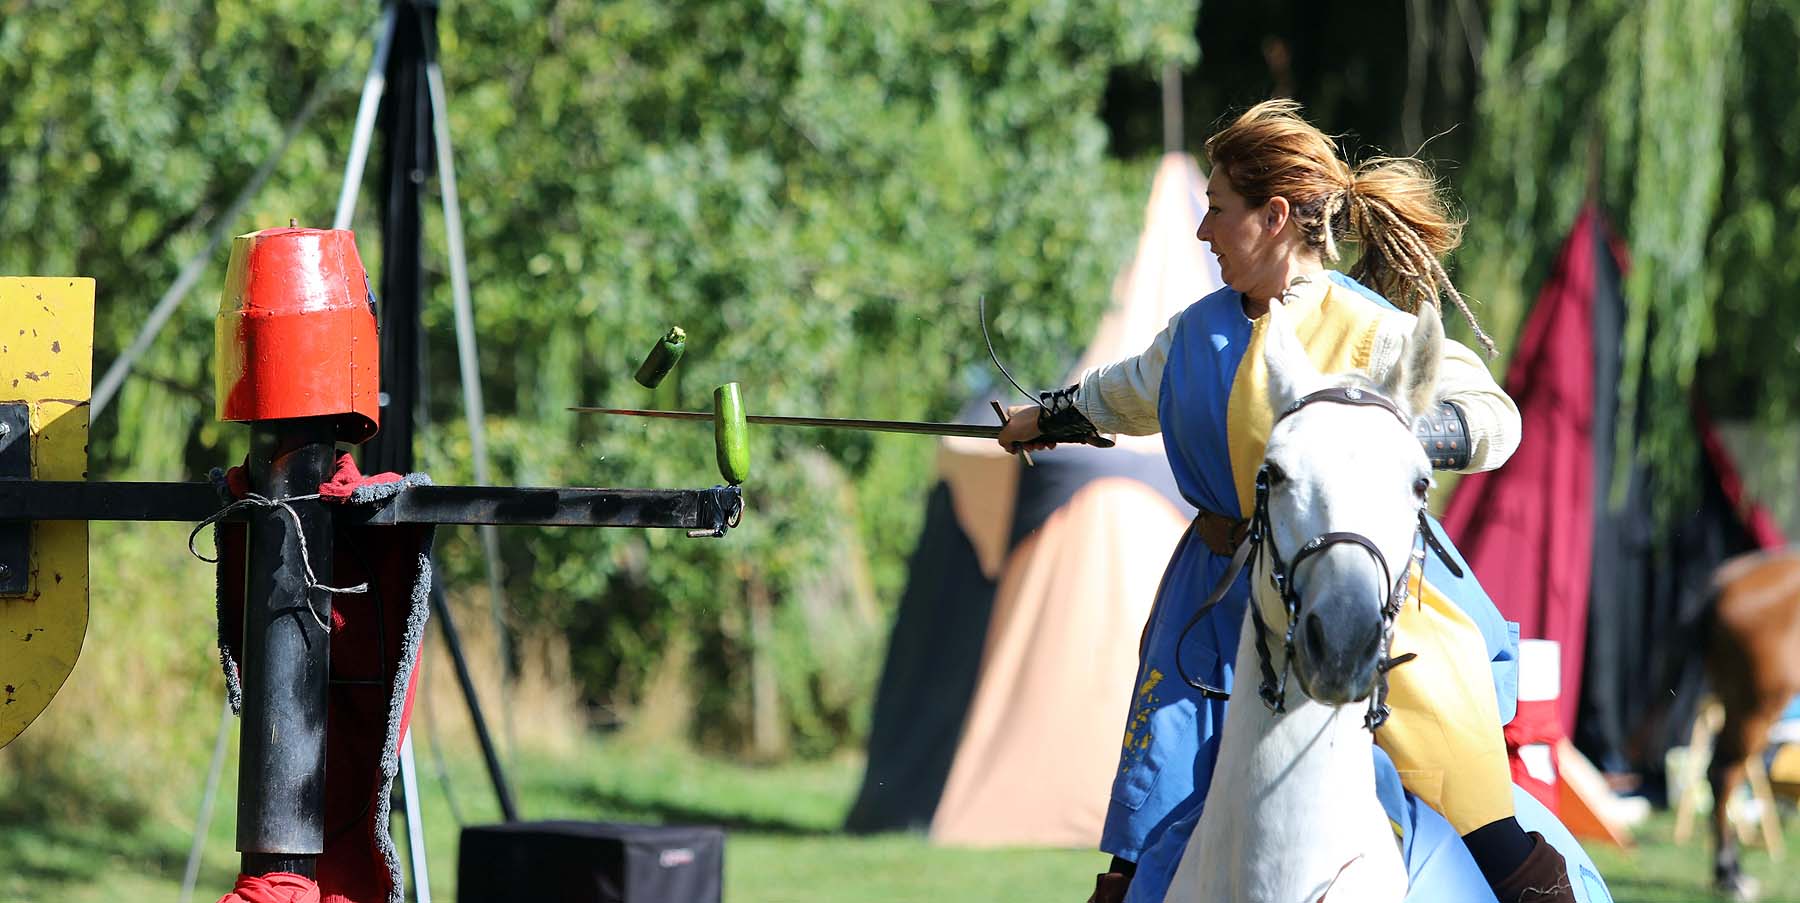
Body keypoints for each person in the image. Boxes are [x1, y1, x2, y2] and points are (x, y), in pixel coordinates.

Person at [998, 101, 1611, 903]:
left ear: (1275, 217)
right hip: (1214, 595)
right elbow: (1127, 393)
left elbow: (1496, 420)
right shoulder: (1193, 333)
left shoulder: (1369, 329)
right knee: (1144, 824)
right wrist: (1045, 417)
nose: (1202, 231)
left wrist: (1382, 445)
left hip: (1350, 585)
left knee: (1471, 799)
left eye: (1217, 209)